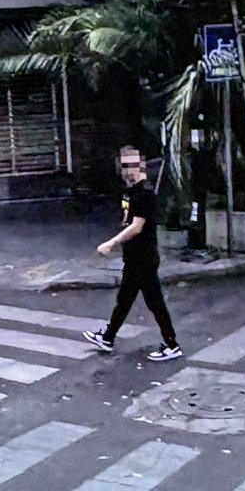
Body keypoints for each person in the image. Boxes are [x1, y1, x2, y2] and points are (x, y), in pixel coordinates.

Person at [83, 146, 182, 362]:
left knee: (153, 302)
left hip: (144, 257)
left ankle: (172, 344)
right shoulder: (130, 192)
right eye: (125, 165)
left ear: (141, 166)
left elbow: (137, 227)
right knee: (125, 299)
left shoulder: (144, 193)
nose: (128, 170)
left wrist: (112, 243)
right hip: (135, 257)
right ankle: (108, 338)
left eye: (133, 165)